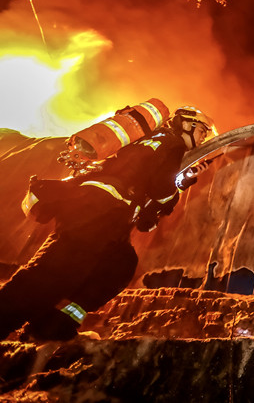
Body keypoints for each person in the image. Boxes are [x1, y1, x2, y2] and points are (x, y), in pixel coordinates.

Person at [0, 106, 216, 341]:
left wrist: (183, 178)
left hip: (107, 214)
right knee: (55, 270)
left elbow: (149, 182)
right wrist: (175, 190)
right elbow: (160, 191)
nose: (203, 138)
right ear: (186, 125)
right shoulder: (171, 144)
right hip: (97, 210)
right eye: (202, 131)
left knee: (118, 265)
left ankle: (53, 325)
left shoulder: (158, 142)